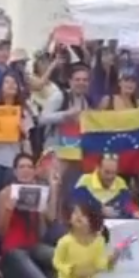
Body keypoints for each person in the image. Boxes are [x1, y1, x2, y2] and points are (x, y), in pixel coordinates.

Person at [0, 153, 59, 278]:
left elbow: (51, 218)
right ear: (15, 171)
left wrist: (54, 187)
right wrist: (9, 209)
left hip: (33, 245)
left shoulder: (38, 190)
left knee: (68, 261)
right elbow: (1, 231)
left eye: (29, 167)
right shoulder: (5, 193)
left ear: (34, 171)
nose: (26, 170)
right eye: (21, 167)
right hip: (13, 248)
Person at [0, 73, 34, 233]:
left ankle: (3, 233)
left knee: (8, 197)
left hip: (12, 159)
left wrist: (23, 133)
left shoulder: (23, 110)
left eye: (14, 83)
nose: (10, 86)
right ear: (1, 86)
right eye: (6, 82)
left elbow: (27, 137)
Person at [39, 65, 91, 212]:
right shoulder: (60, 96)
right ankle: (52, 229)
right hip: (56, 152)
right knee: (53, 192)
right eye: (78, 80)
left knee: (69, 194)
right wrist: (65, 115)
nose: (81, 83)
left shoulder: (86, 102)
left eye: (85, 80)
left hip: (75, 154)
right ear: (70, 81)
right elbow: (42, 118)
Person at [52, 201, 118, 278]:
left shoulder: (99, 241)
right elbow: (57, 261)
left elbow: (99, 263)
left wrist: (110, 261)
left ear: (94, 220)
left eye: (84, 214)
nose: (78, 216)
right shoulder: (65, 241)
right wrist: (71, 270)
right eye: (75, 212)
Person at [71, 155, 139, 220]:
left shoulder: (120, 182)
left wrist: (135, 212)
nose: (110, 177)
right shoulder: (85, 180)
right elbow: (77, 204)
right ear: (98, 168)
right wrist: (99, 208)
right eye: (107, 172)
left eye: (114, 173)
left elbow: (127, 203)